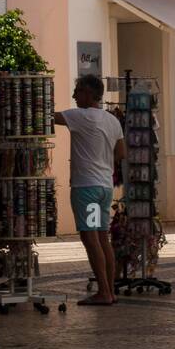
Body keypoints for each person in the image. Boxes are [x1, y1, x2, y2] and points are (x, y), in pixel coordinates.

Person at [54, 75, 126, 306]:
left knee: (91, 238)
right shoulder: (112, 120)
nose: (74, 95)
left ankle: (104, 291)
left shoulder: (81, 116)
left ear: (88, 93)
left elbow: (48, 117)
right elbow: (121, 153)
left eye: (77, 91)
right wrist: (105, 164)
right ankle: (110, 290)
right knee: (102, 238)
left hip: (88, 188)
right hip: (104, 186)